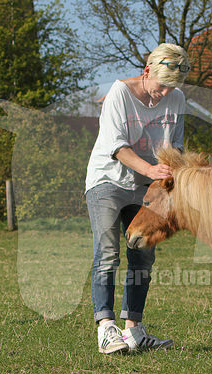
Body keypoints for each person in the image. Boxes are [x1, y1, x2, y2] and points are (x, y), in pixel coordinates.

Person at [85, 43, 190, 354]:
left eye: (171, 90)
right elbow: (117, 147)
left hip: (148, 186)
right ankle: (106, 329)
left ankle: (134, 331)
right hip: (108, 181)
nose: (164, 96)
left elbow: (177, 148)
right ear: (146, 72)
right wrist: (151, 168)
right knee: (107, 253)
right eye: (160, 88)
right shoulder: (119, 93)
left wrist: (175, 172)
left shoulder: (177, 98)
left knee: (143, 254)